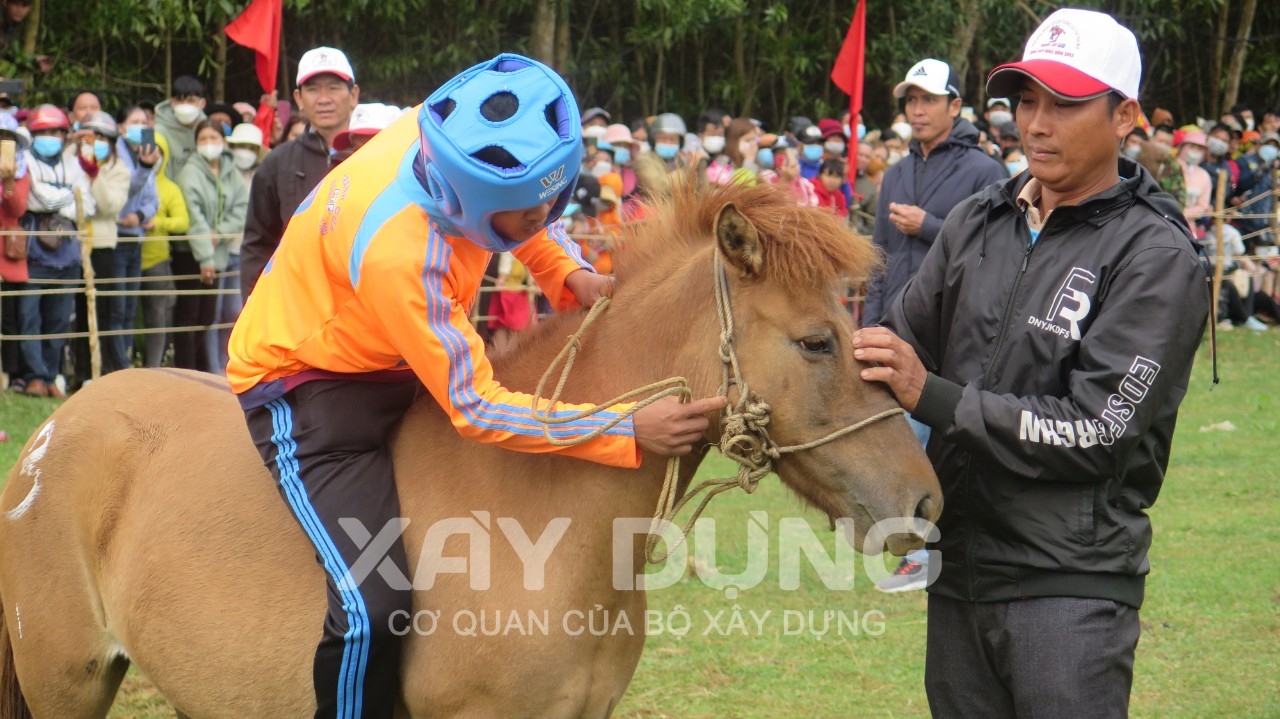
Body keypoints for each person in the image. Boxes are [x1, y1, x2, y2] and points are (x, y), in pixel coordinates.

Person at [227, 54, 726, 718]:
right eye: (525, 213)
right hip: (306, 384)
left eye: (553, 195)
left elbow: (523, 209)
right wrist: (623, 425)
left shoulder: (441, 132)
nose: (543, 215)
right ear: (466, 203)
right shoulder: (403, 255)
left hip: (387, 353)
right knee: (372, 601)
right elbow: (475, 404)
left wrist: (565, 272)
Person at [853, 9, 1208, 716]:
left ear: (1124, 115)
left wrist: (937, 398)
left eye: (1066, 103)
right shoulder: (977, 220)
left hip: (1069, 586)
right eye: (1025, 101)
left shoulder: (1155, 253)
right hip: (957, 574)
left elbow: (1099, 428)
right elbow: (896, 347)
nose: (1037, 124)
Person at [239, 46, 359, 302]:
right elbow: (259, 242)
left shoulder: (377, 153)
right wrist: (256, 306)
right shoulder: (277, 162)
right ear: (298, 98)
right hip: (298, 304)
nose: (323, 98)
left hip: (364, 301)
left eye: (334, 88)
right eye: (313, 89)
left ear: (354, 95)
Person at [19, 104, 95, 397]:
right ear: (34, 134)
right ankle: (34, 375)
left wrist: (68, 198)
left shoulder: (74, 163)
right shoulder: (25, 160)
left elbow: (88, 206)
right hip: (33, 250)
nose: (50, 136)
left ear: (65, 135)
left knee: (60, 319)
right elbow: (36, 200)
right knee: (29, 316)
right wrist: (71, 196)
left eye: (56, 131)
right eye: (44, 131)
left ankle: (52, 376)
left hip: (68, 252)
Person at [174, 119, 248, 371]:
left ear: (223, 141)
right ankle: (185, 371)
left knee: (207, 317)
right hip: (192, 256)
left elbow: (241, 207)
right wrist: (205, 256)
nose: (208, 144)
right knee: (189, 316)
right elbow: (194, 217)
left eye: (213, 138)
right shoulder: (190, 172)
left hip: (219, 253)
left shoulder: (231, 170)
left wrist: (221, 232)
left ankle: (204, 371)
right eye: (202, 139)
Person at [138, 135, 188, 368]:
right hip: (126, 260)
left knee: (157, 318)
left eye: (157, 150)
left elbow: (182, 222)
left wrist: (158, 223)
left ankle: (153, 367)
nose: (152, 155)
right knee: (123, 317)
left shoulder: (170, 188)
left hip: (157, 261)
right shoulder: (132, 180)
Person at [154, 75, 208, 180]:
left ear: (202, 103)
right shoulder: (158, 130)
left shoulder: (208, 130)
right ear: (172, 102)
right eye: (180, 100)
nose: (185, 105)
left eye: (191, 100)